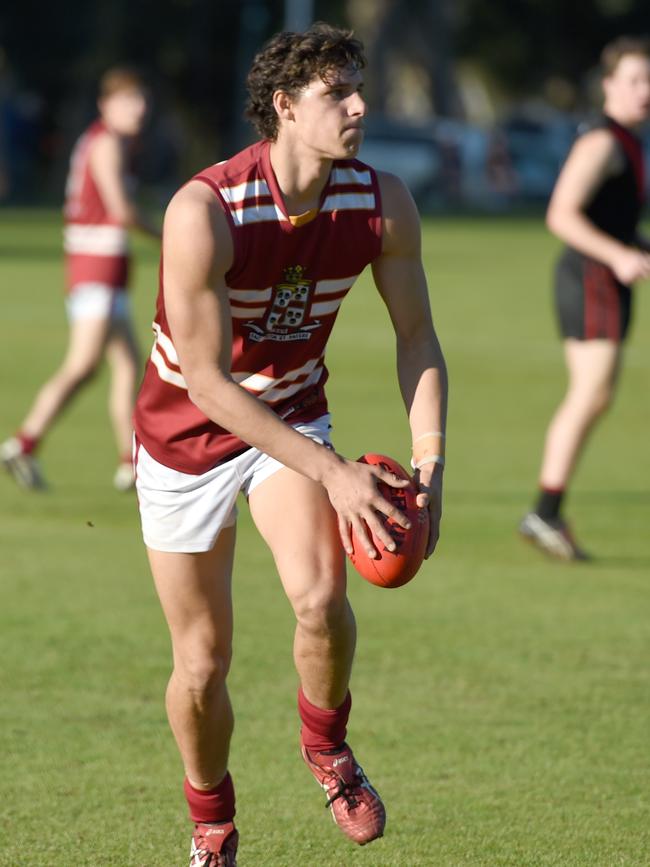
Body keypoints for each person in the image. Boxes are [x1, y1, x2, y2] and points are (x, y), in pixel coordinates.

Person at [133, 23, 447, 866]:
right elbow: (205, 383)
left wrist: (432, 466)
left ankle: (328, 749)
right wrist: (337, 475)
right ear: (284, 107)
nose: (360, 106)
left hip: (292, 415)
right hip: (186, 434)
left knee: (318, 598)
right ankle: (213, 819)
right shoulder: (205, 209)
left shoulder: (382, 202)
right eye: (337, 93)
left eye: (358, 88)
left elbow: (416, 338)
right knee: (202, 664)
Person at [519, 36, 650, 561]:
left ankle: (547, 512)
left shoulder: (630, 140)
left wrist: (633, 246)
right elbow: (562, 213)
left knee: (596, 395)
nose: (645, 90)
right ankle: (544, 512)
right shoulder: (601, 140)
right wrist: (618, 256)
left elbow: (612, 218)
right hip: (591, 279)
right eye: (636, 80)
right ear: (609, 85)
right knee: (590, 393)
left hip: (608, 278)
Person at [1, 67, 159, 491]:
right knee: (84, 364)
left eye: (143, 100)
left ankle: (130, 461)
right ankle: (23, 443)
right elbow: (121, 211)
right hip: (96, 264)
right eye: (129, 101)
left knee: (127, 364)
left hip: (105, 264)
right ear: (105, 106)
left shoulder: (113, 142)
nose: (139, 109)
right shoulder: (106, 143)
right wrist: (172, 238)